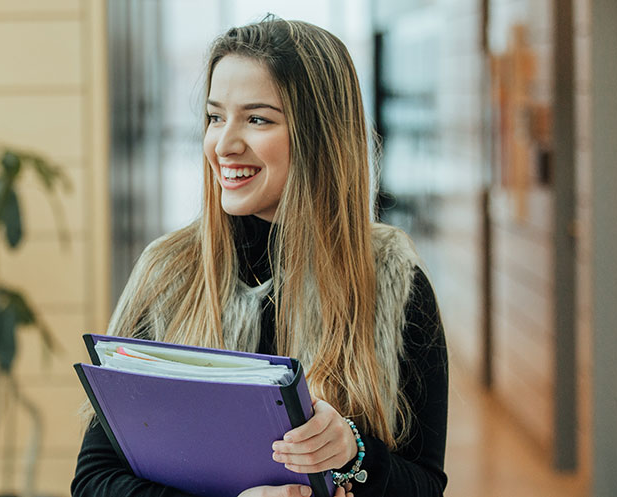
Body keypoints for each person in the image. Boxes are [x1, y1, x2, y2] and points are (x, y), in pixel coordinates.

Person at [71, 17, 448, 497]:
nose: (224, 144)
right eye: (214, 117)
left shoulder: (394, 281)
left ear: (321, 136)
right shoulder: (169, 274)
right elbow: (93, 481)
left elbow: (425, 486)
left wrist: (353, 454)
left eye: (257, 118)